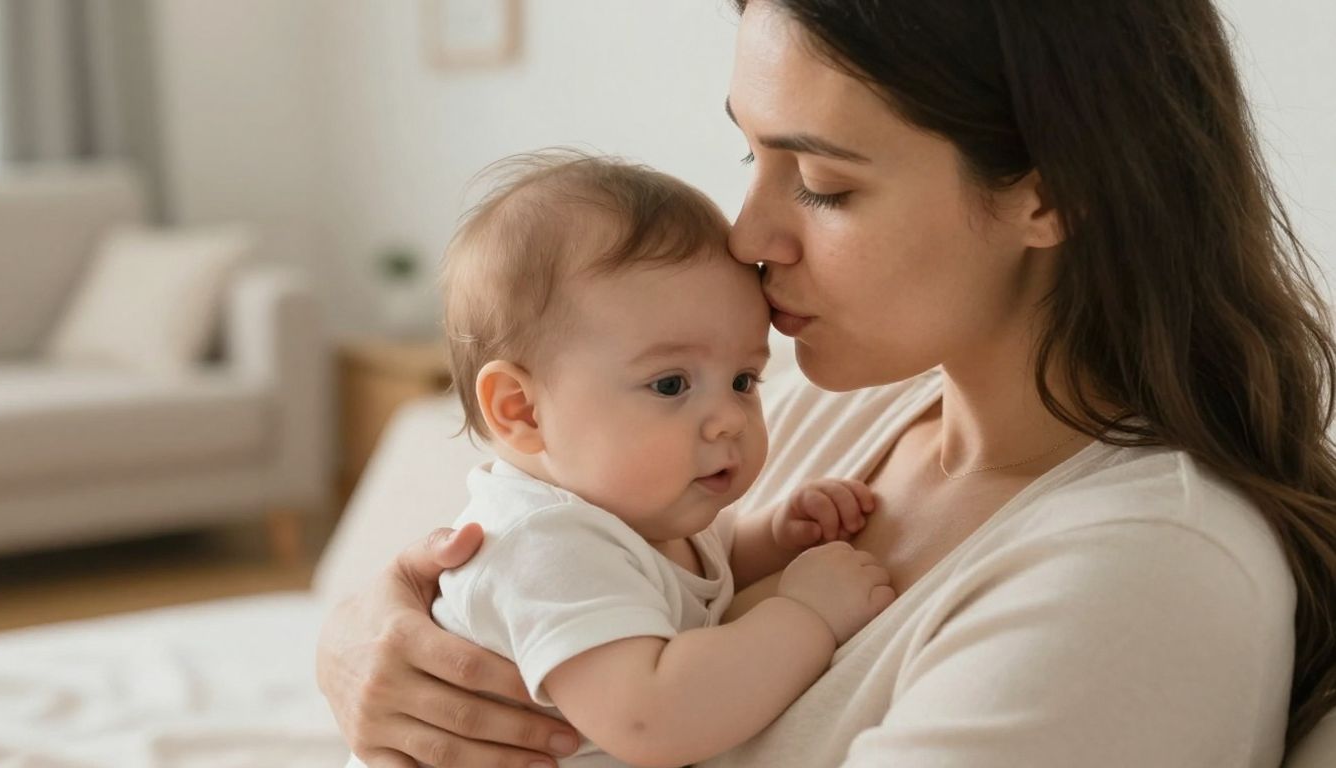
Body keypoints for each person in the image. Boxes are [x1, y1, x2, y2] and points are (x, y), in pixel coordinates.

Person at [316, 1, 1336, 766]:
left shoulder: (1140, 578)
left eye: (821, 184)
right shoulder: (826, 401)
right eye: (747, 153)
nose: (747, 235)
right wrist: (369, 646)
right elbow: (550, 556)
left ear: (1047, 194)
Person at [343, 152, 895, 768]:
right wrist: (806, 613)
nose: (730, 417)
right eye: (670, 385)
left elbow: (688, 579)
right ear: (522, 411)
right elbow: (650, 716)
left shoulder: (644, 514)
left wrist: (778, 537)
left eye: (743, 379)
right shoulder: (544, 546)